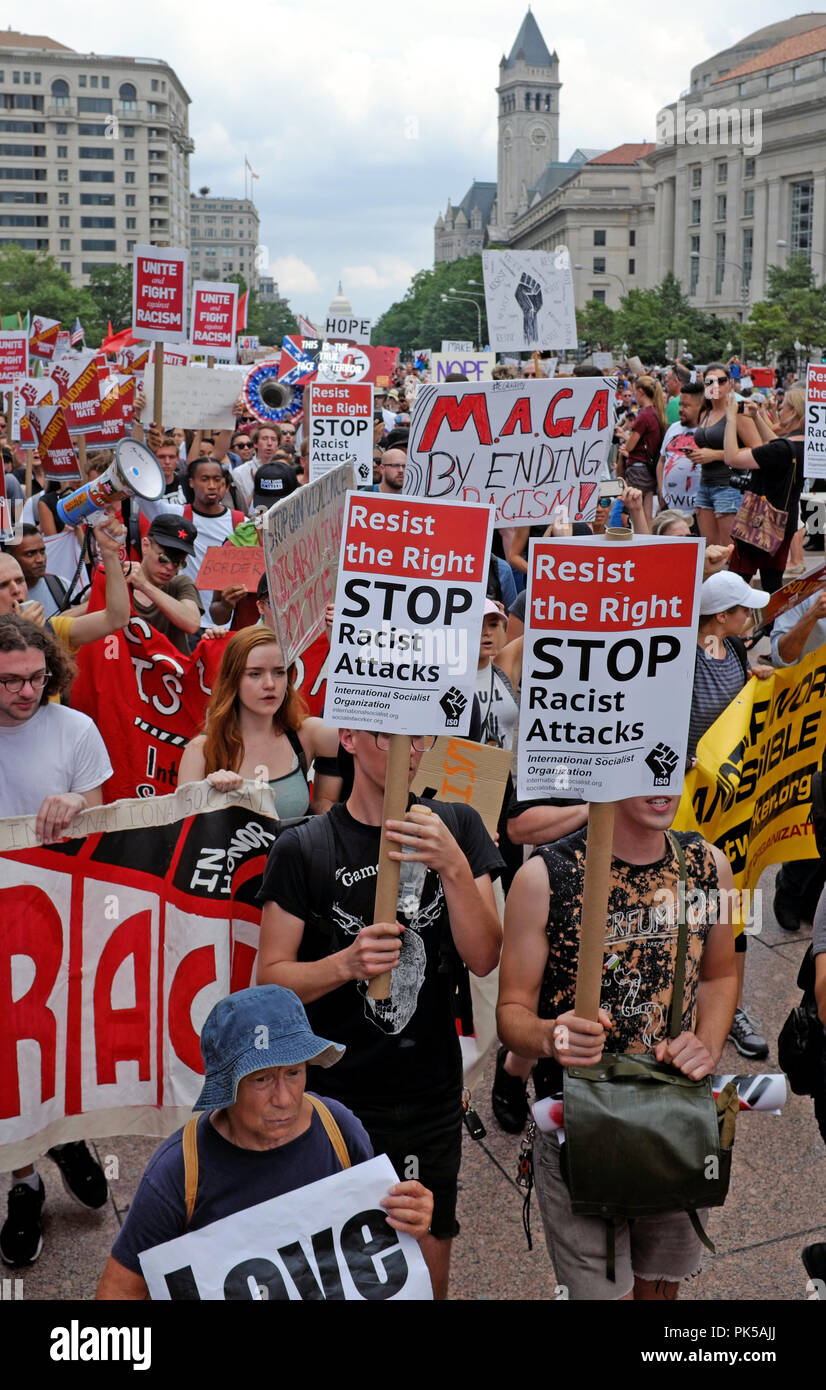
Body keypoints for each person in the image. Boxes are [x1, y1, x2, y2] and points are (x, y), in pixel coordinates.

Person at [255, 728, 503, 1298]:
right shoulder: (305, 847)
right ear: (348, 737)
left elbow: (485, 956)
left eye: (420, 740)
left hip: (429, 1097)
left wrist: (454, 867)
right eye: (390, 738)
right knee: (331, 1276)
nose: (409, 753)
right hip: (333, 1100)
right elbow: (269, 982)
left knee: (422, 1275)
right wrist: (345, 964)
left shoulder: (456, 825)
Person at [496, 792, 738, 1301]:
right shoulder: (543, 878)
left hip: (675, 1125)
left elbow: (720, 975)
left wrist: (707, 1045)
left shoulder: (709, 865)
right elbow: (510, 1014)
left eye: (671, 764)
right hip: (579, 1136)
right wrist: (551, 1036)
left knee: (660, 1293)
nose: (662, 783)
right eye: (646, 764)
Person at [95, 986, 433, 1298]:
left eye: (294, 1073)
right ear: (227, 1087)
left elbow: (374, 1241)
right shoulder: (177, 1173)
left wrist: (411, 1220)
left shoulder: (338, 1127)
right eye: (262, 1078)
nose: (284, 1098)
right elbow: (119, 1292)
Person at [0, 614, 114, 1267]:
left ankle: (65, 1135)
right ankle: (26, 1185)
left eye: (37, 678)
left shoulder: (75, 728)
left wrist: (78, 805)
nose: (25, 692)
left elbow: (101, 823)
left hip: (59, 921)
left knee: (58, 1042)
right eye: (10, 681)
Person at [690, 571, 774, 1061]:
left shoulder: (737, 651)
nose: (750, 618)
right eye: (743, 611)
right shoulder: (682, 654)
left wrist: (755, 681)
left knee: (735, 905)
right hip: (688, 804)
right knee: (682, 905)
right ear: (721, 616)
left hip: (732, 806)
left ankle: (733, 1006)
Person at [176, 625, 339, 818]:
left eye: (279, 672)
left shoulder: (306, 733)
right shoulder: (201, 750)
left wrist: (343, 644)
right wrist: (207, 795)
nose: (270, 684)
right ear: (233, 679)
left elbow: (369, 732)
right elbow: (182, 836)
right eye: (255, 673)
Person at [723, 387, 806, 595]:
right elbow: (778, 443)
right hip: (783, 521)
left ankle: (738, 624)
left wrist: (731, 418)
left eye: (783, 405)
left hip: (758, 519)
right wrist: (757, 418)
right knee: (772, 579)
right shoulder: (805, 448)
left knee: (739, 577)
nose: (779, 409)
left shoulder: (780, 450)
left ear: (794, 412)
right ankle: (771, 625)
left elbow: (731, 458)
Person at [686, 363, 762, 548]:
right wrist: (697, 454)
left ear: (730, 383)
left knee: (731, 552)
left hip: (730, 487)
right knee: (711, 551)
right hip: (705, 485)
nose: (716, 386)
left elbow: (758, 450)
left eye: (721, 381)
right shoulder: (705, 411)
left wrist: (715, 455)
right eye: (710, 382)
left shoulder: (738, 411)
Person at [124, 514, 203, 654]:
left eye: (178, 563)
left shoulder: (180, 583)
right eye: (164, 558)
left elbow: (192, 624)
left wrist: (144, 586)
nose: (170, 567)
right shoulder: (121, 581)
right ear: (146, 545)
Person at [616, 375, 667, 525]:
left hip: (638, 469)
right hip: (649, 469)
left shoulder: (644, 415)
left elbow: (630, 446)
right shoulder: (656, 413)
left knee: (635, 515)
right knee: (647, 515)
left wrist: (625, 438)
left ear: (640, 392)